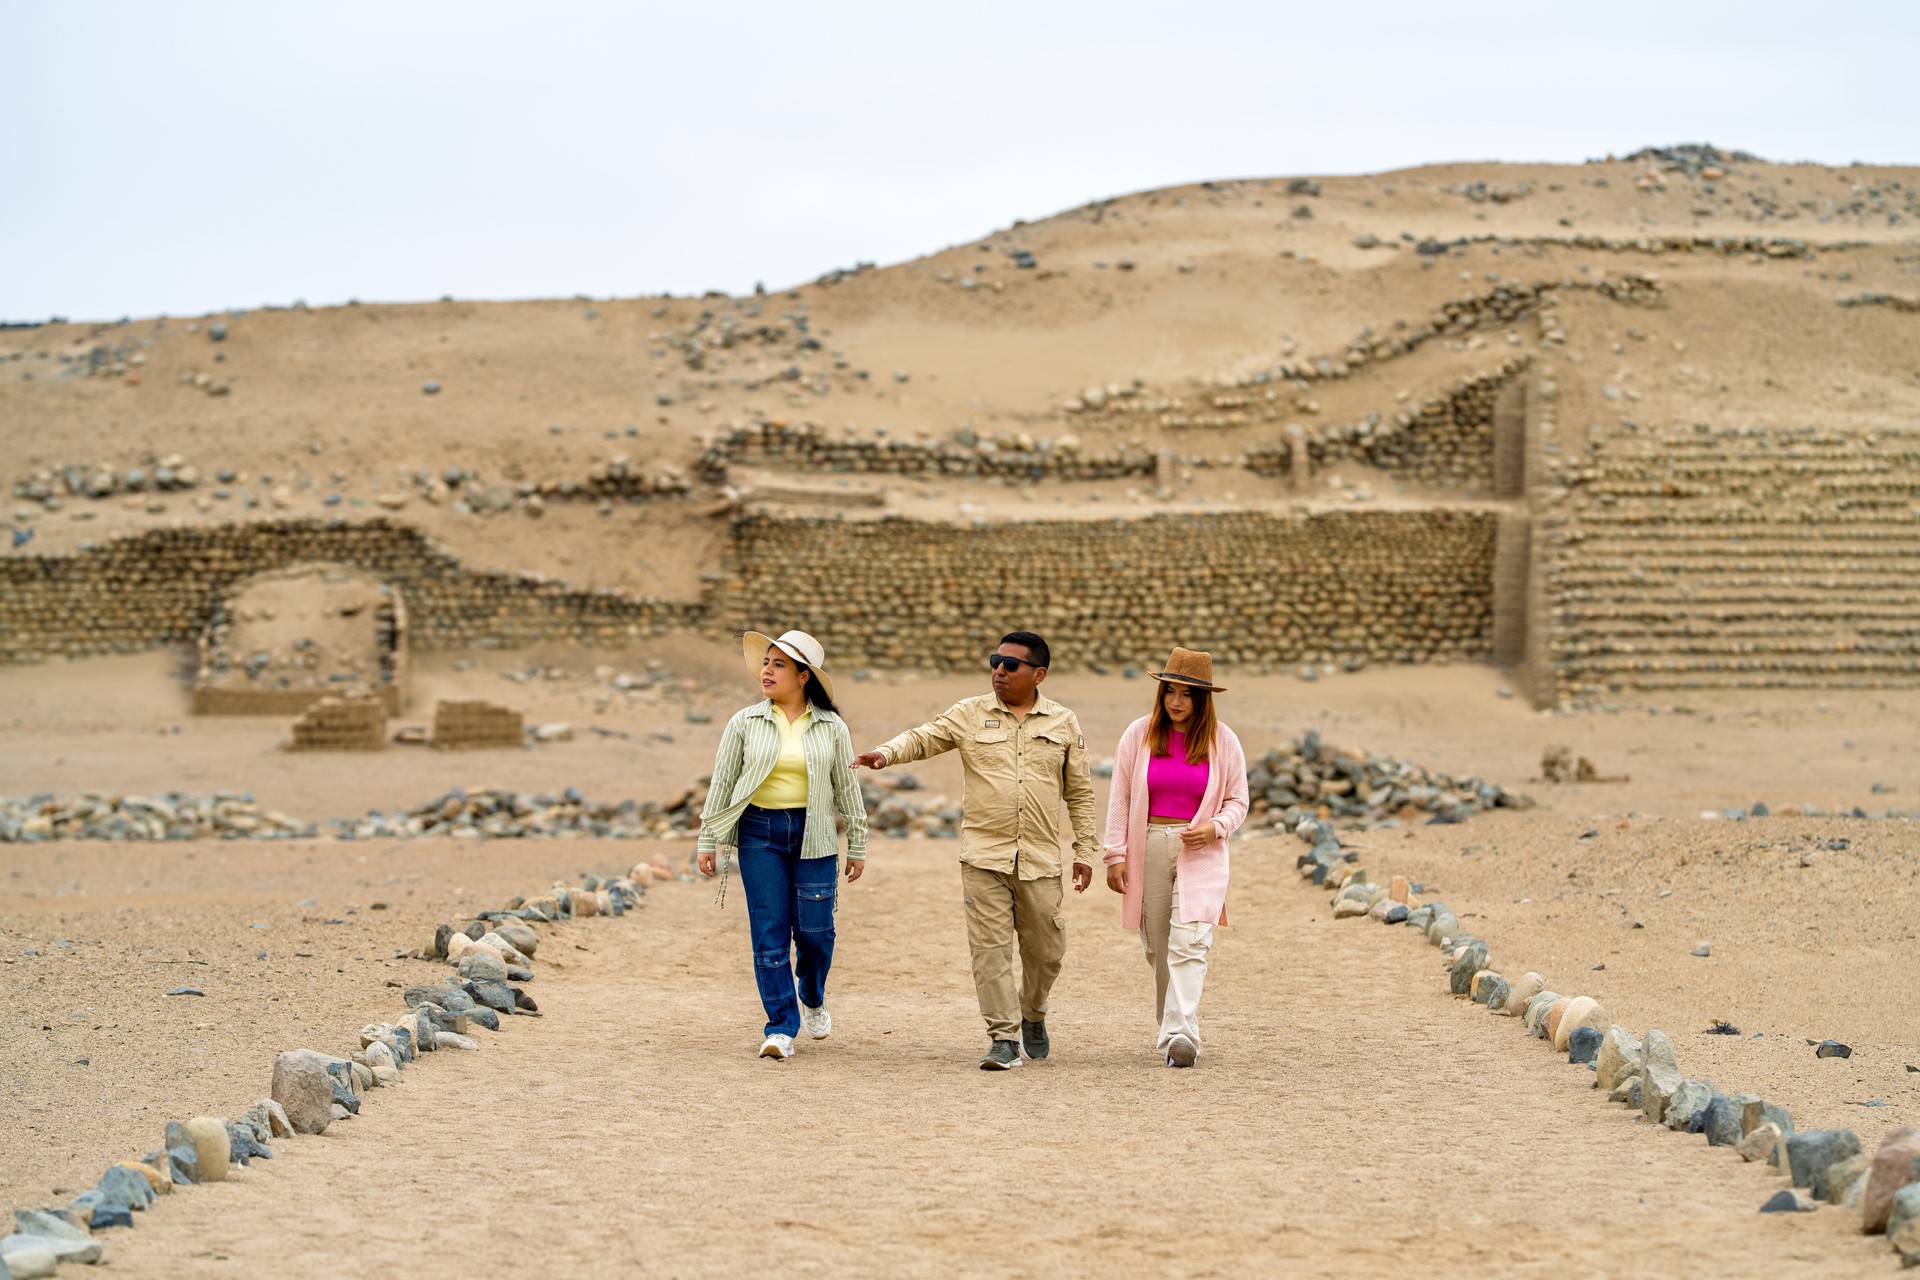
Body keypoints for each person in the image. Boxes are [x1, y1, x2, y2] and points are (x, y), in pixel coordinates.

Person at [854, 630, 1098, 1071]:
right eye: (994, 662)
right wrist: (885, 755)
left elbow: (1079, 793)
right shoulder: (970, 713)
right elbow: (925, 736)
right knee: (989, 950)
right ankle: (1002, 1038)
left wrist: (1085, 851)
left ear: (1038, 673)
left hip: (1041, 860)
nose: (998, 671)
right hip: (983, 857)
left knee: (1047, 952)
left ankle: (1033, 1013)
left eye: (1011, 665)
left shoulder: (1063, 722)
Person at [697, 630, 869, 1061]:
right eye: (766, 663)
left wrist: (859, 843)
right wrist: (708, 838)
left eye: (779, 665)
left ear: (804, 676)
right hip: (758, 834)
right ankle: (780, 1027)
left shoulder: (832, 726)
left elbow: (846, 786)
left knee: (815, 933)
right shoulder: (744, 722)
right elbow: (723, 781)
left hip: (815, 834)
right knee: (769, 933)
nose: (766, 671)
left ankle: (811, 995)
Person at [1101, 647, 1248, 1068]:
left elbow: (1238, 800)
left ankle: (1180, 1037)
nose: (1177, 702)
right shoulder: (1138, 735)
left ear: (1203, 699)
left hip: (1201, 852)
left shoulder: (1223, 740)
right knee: (1159, 948)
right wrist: (1115, 854)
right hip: (1147, 844)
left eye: (1187, 694)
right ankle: (1174, 1030)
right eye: (1170, 691)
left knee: (1189, 943)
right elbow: (1120, 798)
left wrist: (1215, 828)